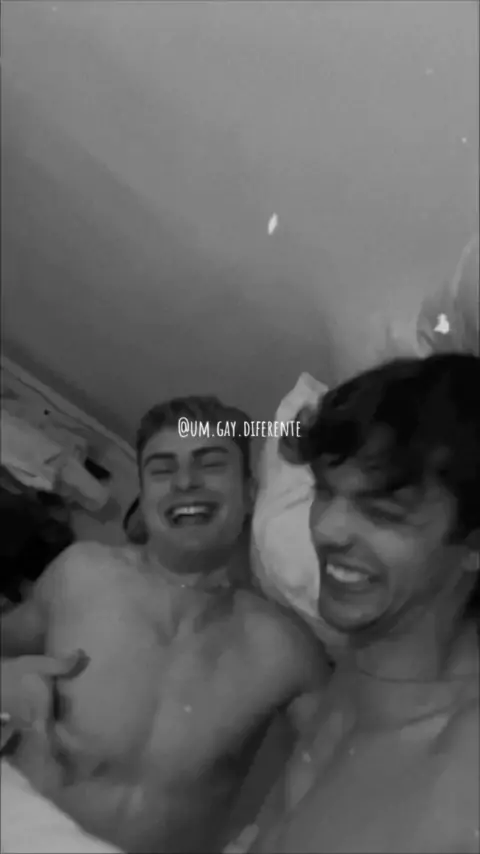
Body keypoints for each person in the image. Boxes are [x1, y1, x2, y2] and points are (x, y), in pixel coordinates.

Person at [1, 396, 330, 854]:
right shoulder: (81, 574)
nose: (185, 481)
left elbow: (357, 766)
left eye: (209, 463)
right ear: (145, 496)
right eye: (161, 469)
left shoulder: (285, 649)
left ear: (249, 493)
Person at [249, 353, 480, 854]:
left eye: (383, 513)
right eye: (324, 491)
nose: (327, 529)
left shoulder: (463, 784)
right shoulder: (363, 675)